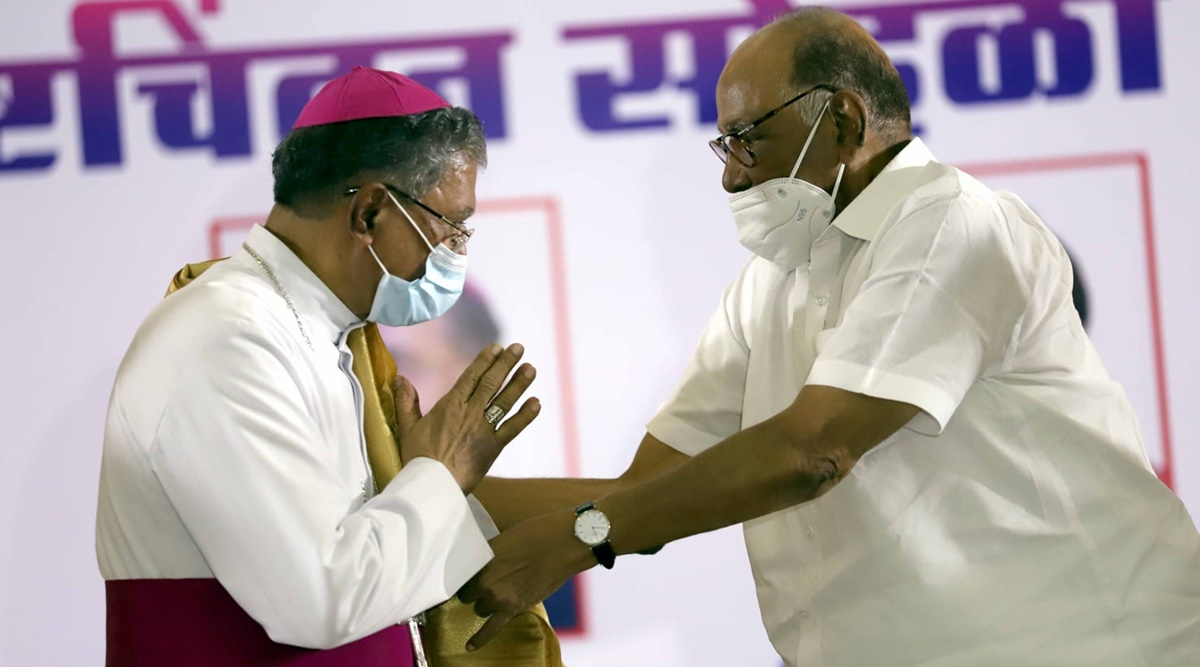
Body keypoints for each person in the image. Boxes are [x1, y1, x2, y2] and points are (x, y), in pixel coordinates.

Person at [460, 9, 1200, 666]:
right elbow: (643, 495)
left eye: (748, 139)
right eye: (725, 148)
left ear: (843, 120)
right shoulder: (772, 281)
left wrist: (584, 534)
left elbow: (812, 451)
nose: (731, 180)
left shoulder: (953, 223)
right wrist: (435, 496)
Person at [95, 66, 552, 666]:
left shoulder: (321, 334)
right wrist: (440, 470)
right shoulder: (229, 336)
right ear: (367, 214)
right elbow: (322, 600)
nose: (457, 251)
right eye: (452, 227)